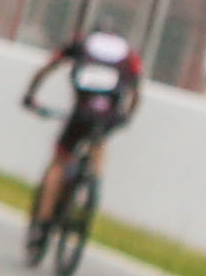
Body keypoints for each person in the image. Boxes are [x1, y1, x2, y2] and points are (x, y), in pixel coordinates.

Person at [18, 21, 142, 241]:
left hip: (81, 112)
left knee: (60, 161)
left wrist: (30, 95)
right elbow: (136, 91)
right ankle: (93, 182)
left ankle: (43, 222)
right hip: (108, 115)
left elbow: (47, 68)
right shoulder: (128, 55)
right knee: (99, 142)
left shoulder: (82, 44)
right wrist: (127, 117)